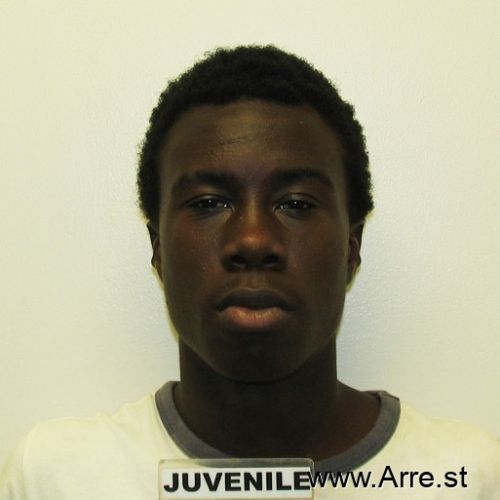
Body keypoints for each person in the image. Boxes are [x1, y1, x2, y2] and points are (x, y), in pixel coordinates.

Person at [1, 45, 499, 499]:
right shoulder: (54, 477)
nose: (254, 240)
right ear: (158, 249)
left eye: (296, 203)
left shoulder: (469, 478)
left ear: (352, 247)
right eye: (209, 202)